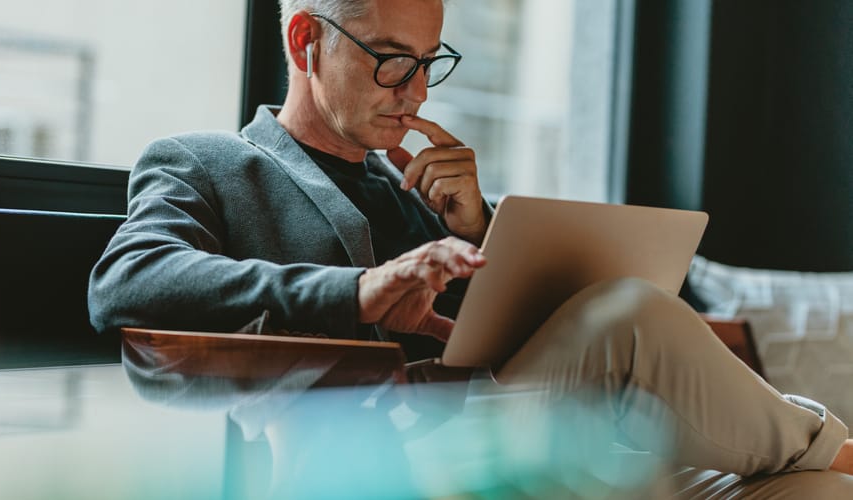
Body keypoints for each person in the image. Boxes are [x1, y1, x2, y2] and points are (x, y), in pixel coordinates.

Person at [88, 0, 853, 495]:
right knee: (631, 315)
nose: (417, 92)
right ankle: (832, 441)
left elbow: (522, 342)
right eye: (392, 59)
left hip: (537, 438)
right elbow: (127, 281)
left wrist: (481, 229)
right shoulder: (206, 162)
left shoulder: (421, 198)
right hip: (383, 459)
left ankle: (825, 456)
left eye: (429, 63)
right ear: (305, 40)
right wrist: (357, 293)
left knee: (817, 492)